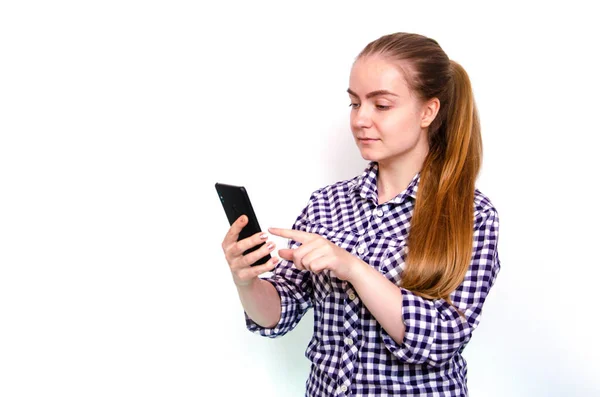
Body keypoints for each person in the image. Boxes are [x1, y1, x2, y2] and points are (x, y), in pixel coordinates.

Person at [221, 32, 500, 397]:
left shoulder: (472, 215)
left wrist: (352, 267)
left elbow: (441, 340)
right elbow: (278, 314)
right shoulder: (326, 204)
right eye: (355, 104)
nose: (360, 120)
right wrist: (247, 281)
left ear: (428, 111)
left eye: (381, 105)